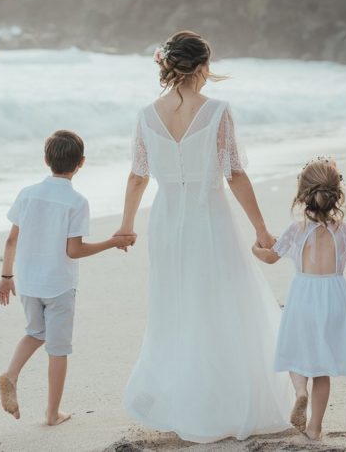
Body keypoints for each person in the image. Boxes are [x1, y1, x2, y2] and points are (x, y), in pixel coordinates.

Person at [115, 31, 292, 443]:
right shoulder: (216, 111)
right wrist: (262, 229)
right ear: (202, 68)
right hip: (209, 219)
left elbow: (138, 176)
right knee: (222, 303)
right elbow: (236, 175)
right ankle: (220, 401)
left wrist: (127, 225)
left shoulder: (146, 115)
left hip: (166, 221)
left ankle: (183, 399)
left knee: (174, 307)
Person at [0, 130, 135, 426]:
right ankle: (52, 413)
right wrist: (112, 242)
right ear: (81, 163)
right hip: (59, 285)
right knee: (58, 350)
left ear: (46, 160)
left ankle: (11, 374)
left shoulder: (27, 193)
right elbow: (74, 250)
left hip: (29, 282)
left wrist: (6, 276)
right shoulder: (76, 201)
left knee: (35, 332)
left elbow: (11, 241)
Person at [251, 157, 346, 441]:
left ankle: (300, 392)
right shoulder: (344, 231)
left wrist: (255, 250)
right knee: (322, 368)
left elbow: (271, 256)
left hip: (303, 296)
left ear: (302, 195)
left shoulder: (296, 230)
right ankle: (315, 428)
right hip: (333, 298)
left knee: (297, 354)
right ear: (337, 195)